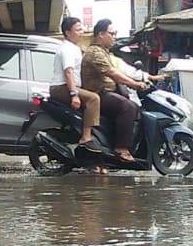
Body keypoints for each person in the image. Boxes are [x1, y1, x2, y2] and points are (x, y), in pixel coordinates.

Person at [82, 19, 149, 163]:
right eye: (112, 33)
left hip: (106, 92)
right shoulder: (95, 53)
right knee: (128, 107)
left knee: (131, 105)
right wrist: (135, 84)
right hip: (98, 93)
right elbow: (113, 73)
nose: (114, 37)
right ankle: (121, 149)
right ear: (100, 34)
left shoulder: (104, 52)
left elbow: (119, 71)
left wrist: (137, 80)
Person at [51, 17, 101, 152]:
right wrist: (74, 94)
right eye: (78, 29)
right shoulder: (67, 48)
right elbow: (68, 72)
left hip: (67, 87)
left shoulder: (74, 48)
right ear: (67, 32)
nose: (82, 32)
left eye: (82, 28)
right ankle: (86, 137)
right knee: (93, 98)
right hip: (61, 88)